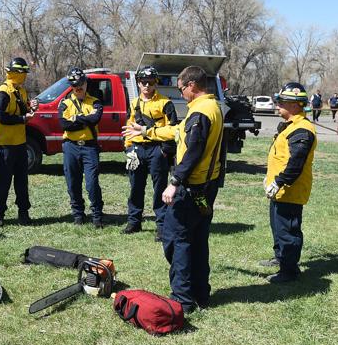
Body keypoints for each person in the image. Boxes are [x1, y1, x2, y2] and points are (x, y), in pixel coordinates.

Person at [123, 65, 222, 313]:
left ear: (192, 85)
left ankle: (182, 299)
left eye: (182, 89)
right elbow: (177, 131)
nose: (181, 94)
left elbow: (194, 152)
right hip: (207, 187)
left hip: (191, 188)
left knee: (176, 240)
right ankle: (201, 294)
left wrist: (175, 182)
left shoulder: (200, 113)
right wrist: (146, 130)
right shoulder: (212, 107)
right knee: (198, 241)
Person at [260, 82, 317, 283]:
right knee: (278, 227)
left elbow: (296, 162)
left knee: (288, 231)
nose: (277, 105)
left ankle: (289, 271)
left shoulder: (302, 129)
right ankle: (280, 258)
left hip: (290, 190)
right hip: (279, 189)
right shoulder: (289, 126)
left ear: (295, 106)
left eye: (281, 102)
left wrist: (280, 181)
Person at [123, 65, 178, 239]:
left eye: (150, 82)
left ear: (156, 83)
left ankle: (162, 226)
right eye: (143, 82)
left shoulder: (165, 102)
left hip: (157, 150)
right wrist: (128, 148)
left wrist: (165, 151)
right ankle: (134, 222)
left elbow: (173, 128)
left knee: (160, 189)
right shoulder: (134, 103)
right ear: (138, 83)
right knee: (135, 188)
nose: (147, 85)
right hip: (137, 150)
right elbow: (129, 127)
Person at [0, 57, 39, 227]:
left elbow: (24, 109)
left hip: (20, 143)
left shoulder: (21, 91)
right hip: (5, 145)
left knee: (21, 181)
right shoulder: (3, 92)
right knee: (4, 181)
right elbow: (2, 118)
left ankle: (23, 213)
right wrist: (23, 119)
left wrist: (31, 107)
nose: (25, 76)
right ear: (16, 73)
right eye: (23, 73)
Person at [58, 67, 104, 228]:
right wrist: (84, 119)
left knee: (92, 183)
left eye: (80, 84)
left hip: (90, 147)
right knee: (72, 182)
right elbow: (64, 125)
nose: (78, 88)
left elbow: (95, 119)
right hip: (71, 147)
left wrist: (75, 119)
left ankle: (97, 215)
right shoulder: (64, 104)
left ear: (85, 83)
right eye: (74, 85)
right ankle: (78, 214)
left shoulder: (95, 102)